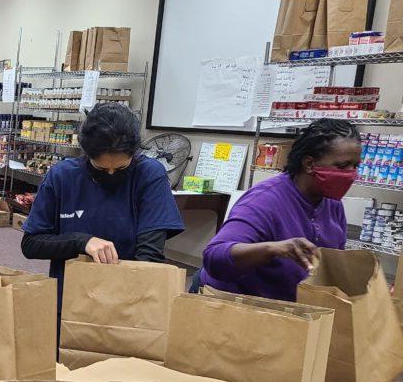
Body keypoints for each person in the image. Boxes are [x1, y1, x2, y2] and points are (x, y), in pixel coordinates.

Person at [21, 102, 185, 320]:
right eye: (100, 168)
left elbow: (150, 256)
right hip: (72, 302)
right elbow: (31, 244)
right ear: (86, 153)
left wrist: (123, 303)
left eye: (120, 168)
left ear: (134, 154)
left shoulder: (149, 175)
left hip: (129, 304)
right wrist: (81, 242)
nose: (110, 174)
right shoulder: (62, 176)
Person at [199, 119, 360, 301]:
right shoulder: (264, 201)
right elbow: (214, 257)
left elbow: (334, 266)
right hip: (235, 307)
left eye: (355, 166)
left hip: (292, 308)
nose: (351, 174)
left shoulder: (332, 204)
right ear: (309, 164)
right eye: (342, 166)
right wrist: (273, 249)